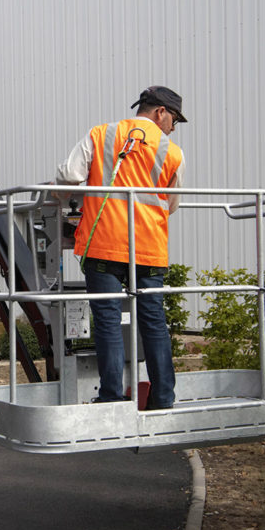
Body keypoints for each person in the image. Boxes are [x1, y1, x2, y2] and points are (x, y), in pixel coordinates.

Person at [55, 86, 187, 409]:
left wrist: (70, 201)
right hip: (149, 250)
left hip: (104, 245)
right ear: (160, 113)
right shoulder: (173, 152)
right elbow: (170, 205)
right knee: (153, 322)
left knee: (108, 322)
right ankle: (164, 399)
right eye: (174, 120)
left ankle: (112, 398)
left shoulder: (102, 134)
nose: (174, 127)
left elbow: (68, 175)